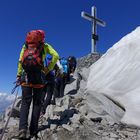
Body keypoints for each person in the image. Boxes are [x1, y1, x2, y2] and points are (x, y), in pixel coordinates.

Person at [16, 30, 59, 139]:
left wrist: (18, 75)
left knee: (25, 103)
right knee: (37, 103)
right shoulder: (44, 46)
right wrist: (48, 69)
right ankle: (33, 131)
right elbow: (56, 56)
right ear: (42, 37)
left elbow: (21, 60)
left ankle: (22, 129)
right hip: (39, 77)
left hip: (26, 77)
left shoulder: (26, 45)